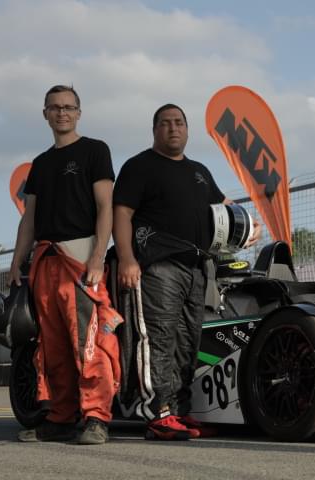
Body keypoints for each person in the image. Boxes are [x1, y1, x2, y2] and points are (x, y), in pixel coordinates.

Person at [113, 103, 259, 440]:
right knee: (158, 338)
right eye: (165, 123)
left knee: (187, 341)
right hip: (157, 265)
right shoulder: (139, 166)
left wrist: (251, 224)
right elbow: (122, 214)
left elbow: (225, 206)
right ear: (155, 130)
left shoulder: (199, 172)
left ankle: (178, 411)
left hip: (196, 267)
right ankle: (157, 412)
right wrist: (126, 258)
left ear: (187, 130)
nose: (173, 128)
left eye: (179, 122)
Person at [10, 85, 121, 445]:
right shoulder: (41, 164)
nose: (62, 113)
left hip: (80, 259)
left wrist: (97, 258)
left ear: (79, 113)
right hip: (46, 260)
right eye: (55, 107)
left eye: (69, 107)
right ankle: (60, 417)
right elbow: (29, 218)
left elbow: (105, 207)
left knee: (89, 343)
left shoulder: (95, 150)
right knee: (53, 346)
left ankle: (96, 417)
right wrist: (16, 261)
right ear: (45, 114)